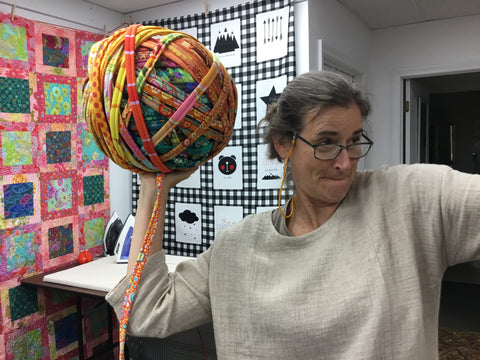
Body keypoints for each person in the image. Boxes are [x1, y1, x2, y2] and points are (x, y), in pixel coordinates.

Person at [106, 71, 480, 359]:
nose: (345, 162)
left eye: (354, 141)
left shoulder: (410, 200)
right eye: (327, 142)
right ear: (284, 143)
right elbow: (144, 312)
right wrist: (154, 188)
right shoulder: (237, 247)